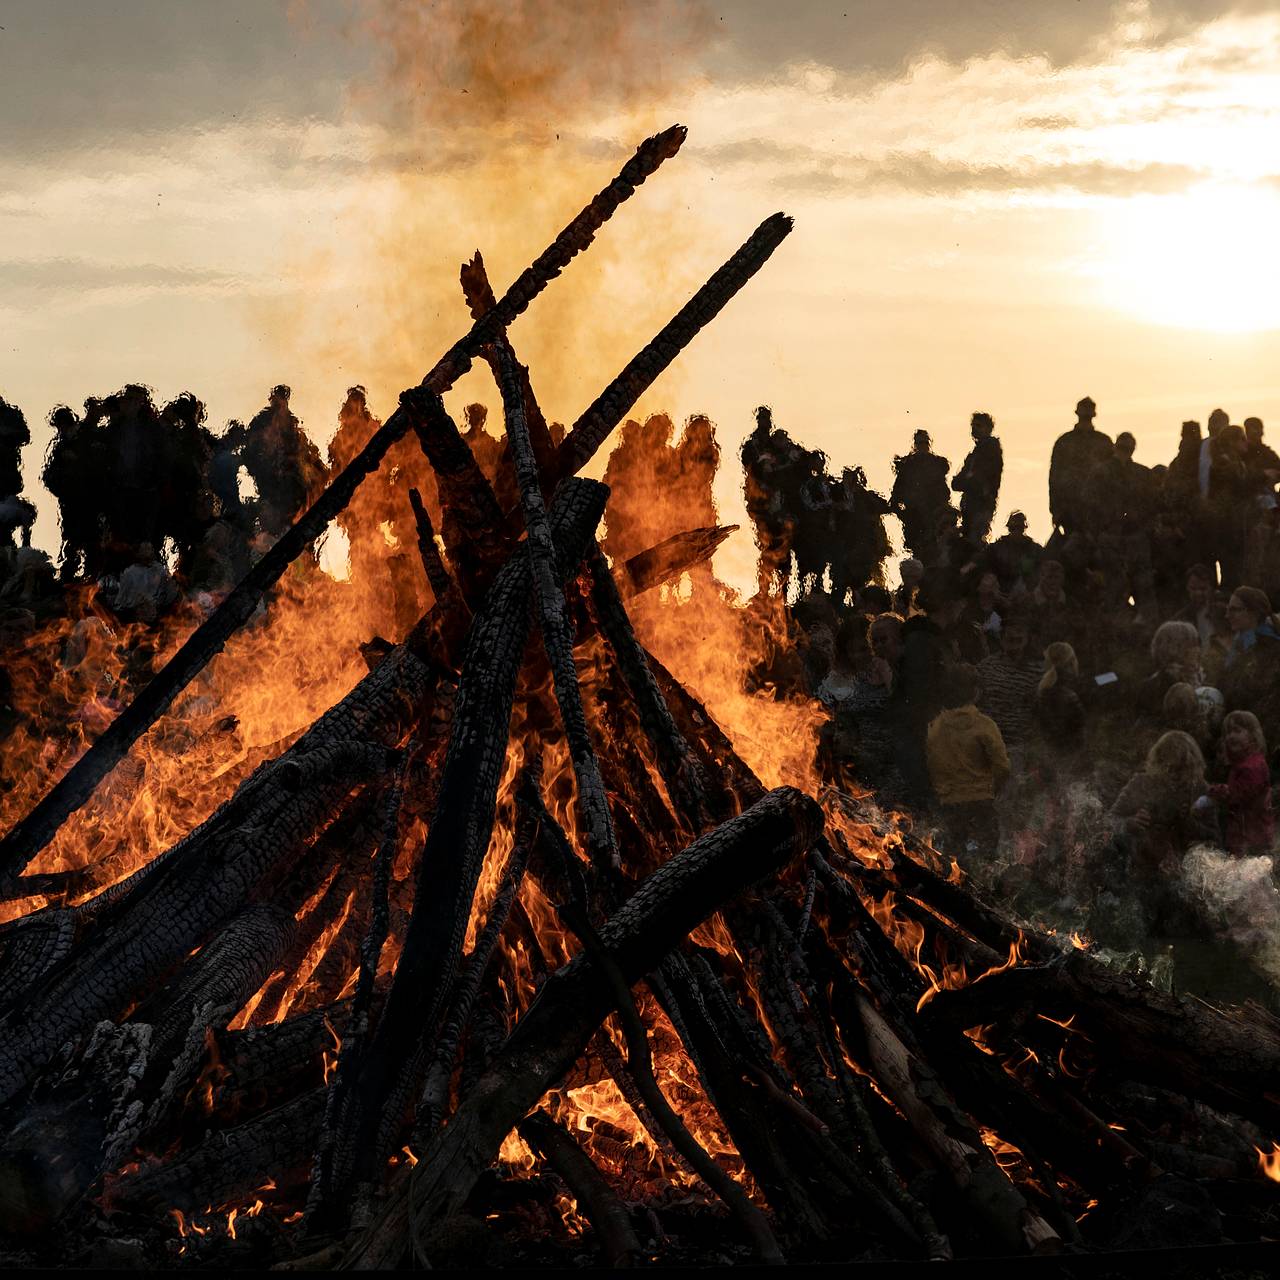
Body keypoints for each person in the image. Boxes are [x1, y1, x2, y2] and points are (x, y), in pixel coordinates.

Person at [927, 663, 1010, 867]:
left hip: (949, 805)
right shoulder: (984, 724)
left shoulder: (935, 727)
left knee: (955, 862)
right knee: (988, 863)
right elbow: (1002, 767)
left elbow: (931, 765)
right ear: (976, 692)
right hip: (982, 803)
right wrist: (993, 788)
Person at [242, 385, 329, 538]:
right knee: (275, 524)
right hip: (271, 483)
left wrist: (316, 467)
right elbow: (250, 450)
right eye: (279, 398)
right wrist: (263, 470)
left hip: (291, 482)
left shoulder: (290, 423)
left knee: (296, 521)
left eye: (283, 398)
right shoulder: (262, 422)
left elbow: (302, 449)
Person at [1208, 709, 1274, 856]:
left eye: (1237, 731)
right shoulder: (1240, 764)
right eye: (1227, 733)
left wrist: (1211, 791)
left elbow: (1237, 795)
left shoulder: (1253, 766)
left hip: (1252, 840)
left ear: (1253, 735)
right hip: (1243, 836)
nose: (1231, 736)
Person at [1048, 396, 1113, 535]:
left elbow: (1113, 476)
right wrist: (1056, 510)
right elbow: (1054, 477)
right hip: (1071, 509)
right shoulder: (1065, 441)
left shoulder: (1104, 442)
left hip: (1098, 510)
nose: (1086, 413)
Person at [977, 612, 1041, 752]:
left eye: (1019, 632)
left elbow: (1041, 710)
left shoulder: (1037, 671)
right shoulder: (986, 667)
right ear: (1001, 637)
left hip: (1021, 744)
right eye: (1009, 633)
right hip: (988, 741)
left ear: (1027, 639)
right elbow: (976, 701)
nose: (1013, 636)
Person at [889, 430, 952, 566]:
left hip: (934, 520)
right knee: (920, 557)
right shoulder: (908, 467)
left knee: (935, 556)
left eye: (925, 442)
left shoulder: (936, 465)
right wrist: (905, 515)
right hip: (915, 520)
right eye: (920, 443)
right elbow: (896, 497)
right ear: (915, 444)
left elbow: (945, 494)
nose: (922, 446)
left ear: (929, 444)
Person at [951, 412, 1003, 543]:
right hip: (971, 505)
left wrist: (968, 481)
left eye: (978, 425)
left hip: (982, 504)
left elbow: (979, 480)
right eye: (973, 425)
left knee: (976, 539)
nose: (974, 429)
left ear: (988, 428)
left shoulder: (990, 449)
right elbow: (957, 483)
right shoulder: (976, 453)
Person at [1138, 620, 1205, 716]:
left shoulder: (1201, 680)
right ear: (1175, 648)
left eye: (1198, 644)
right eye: (1192, 645)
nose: (1198, 650)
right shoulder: (1155, 687)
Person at [1034, 641, 1086, 760]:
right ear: (1071, 662)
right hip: (1068, 757)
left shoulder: (1045, 687)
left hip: (1051, 754)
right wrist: (1113, 675)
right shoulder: (1067, 693)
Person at [986, 511, 1042, 595]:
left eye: (1019, 528)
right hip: (1001, 592)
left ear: (1023, 528)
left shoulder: (1034, 549)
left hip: (1027, 593)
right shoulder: (997, 548)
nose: (1017, 531)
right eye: (1014, 528)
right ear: (1010, 528)